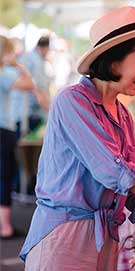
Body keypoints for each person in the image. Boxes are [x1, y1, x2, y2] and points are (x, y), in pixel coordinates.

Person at [20, 6, 135, 271]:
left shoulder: (124, 116)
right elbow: (114, 172)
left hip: (106, 239)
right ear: (113, 59)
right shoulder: (72, 101)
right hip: (65, 237)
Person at [0, 35, 35, 238]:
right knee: (5, 176)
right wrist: (18, 65)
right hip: (3, 129)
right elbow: (30, 84)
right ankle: (5, 227)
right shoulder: (4, 74)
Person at [21, 35, 51, 132]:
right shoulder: (37, 62)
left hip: (20, 110)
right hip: (30, 112)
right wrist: (50, 111)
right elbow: (39, 89)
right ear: (45, 48)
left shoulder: (27, 56)